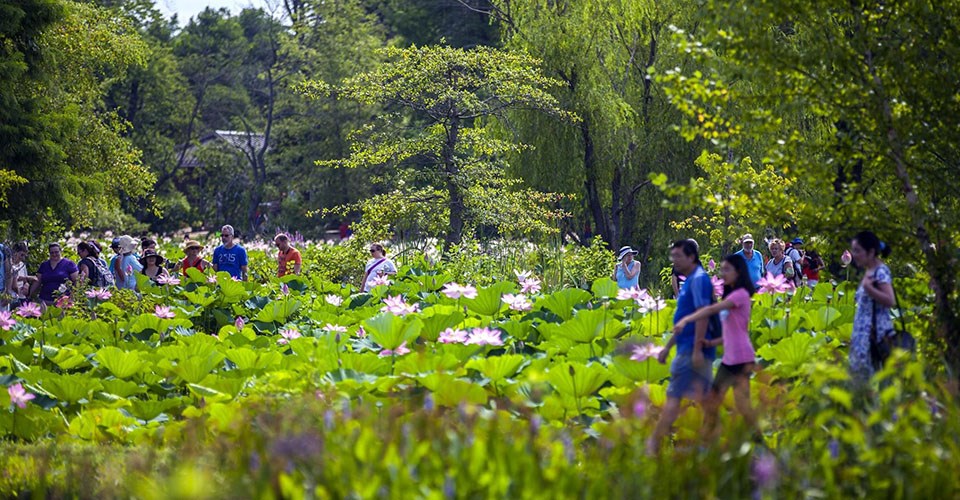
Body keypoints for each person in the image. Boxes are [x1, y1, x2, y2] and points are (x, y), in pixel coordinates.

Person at [673, 254, 758, 439]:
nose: (723, 273)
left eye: (727, 269)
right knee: (720, 400)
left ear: (738, 271)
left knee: (738, 404)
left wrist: (687, 319)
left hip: (741, 360)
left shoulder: (740, 295)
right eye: (722, 269)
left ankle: (756, 440)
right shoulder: (732, 295)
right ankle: (709, 440)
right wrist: (712, 342)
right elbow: (733, 331)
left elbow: (712, 310)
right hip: (731, 358)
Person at [648, 239, 716, 454]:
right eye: (673, 256)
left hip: (692, 351)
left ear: (691, 257)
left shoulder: (698, 280)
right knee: (706, 400)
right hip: (688, 348)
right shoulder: (688, 281)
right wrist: (667, 347)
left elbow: (703, 316)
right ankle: (713, 446)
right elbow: (683, 320)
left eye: (678, 256)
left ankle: (652, 447)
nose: (674, 260)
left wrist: (696, 350)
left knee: (673, 398)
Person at [848, 231, 895, 382]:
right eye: (853, 250)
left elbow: (890, 300)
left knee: (872, 381)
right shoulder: (870, 270)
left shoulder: (881, 271)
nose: (854, 254)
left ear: (871, 252)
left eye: (858, 250)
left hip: (874, 335)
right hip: (863, 335)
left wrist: (869, 289)